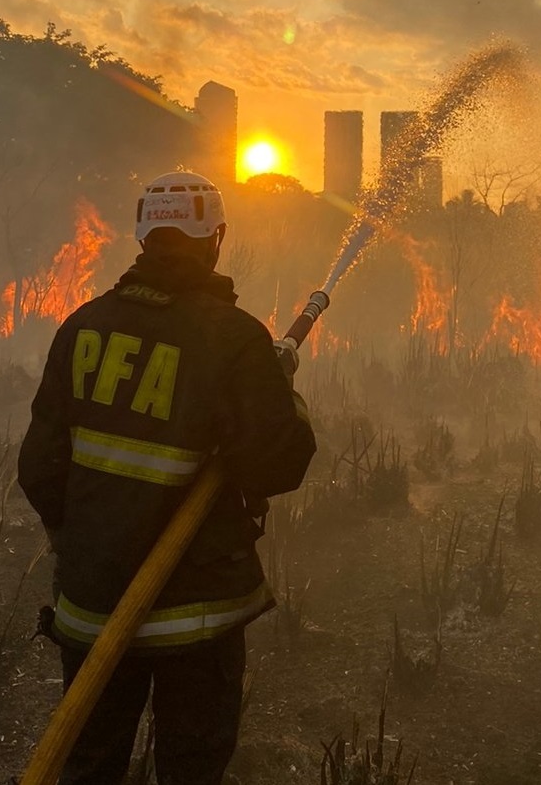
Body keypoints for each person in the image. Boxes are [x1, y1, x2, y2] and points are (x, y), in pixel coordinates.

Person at [18, 170, 317, 784]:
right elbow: (279, 462)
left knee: (90, 763)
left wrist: (81, 543)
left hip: (92, 608)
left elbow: (38, 468)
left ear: (143, 235)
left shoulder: (83, 326)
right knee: (191, 768)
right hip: (197, 622)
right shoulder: (232, 338)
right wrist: (281, 393)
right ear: (217, 238)